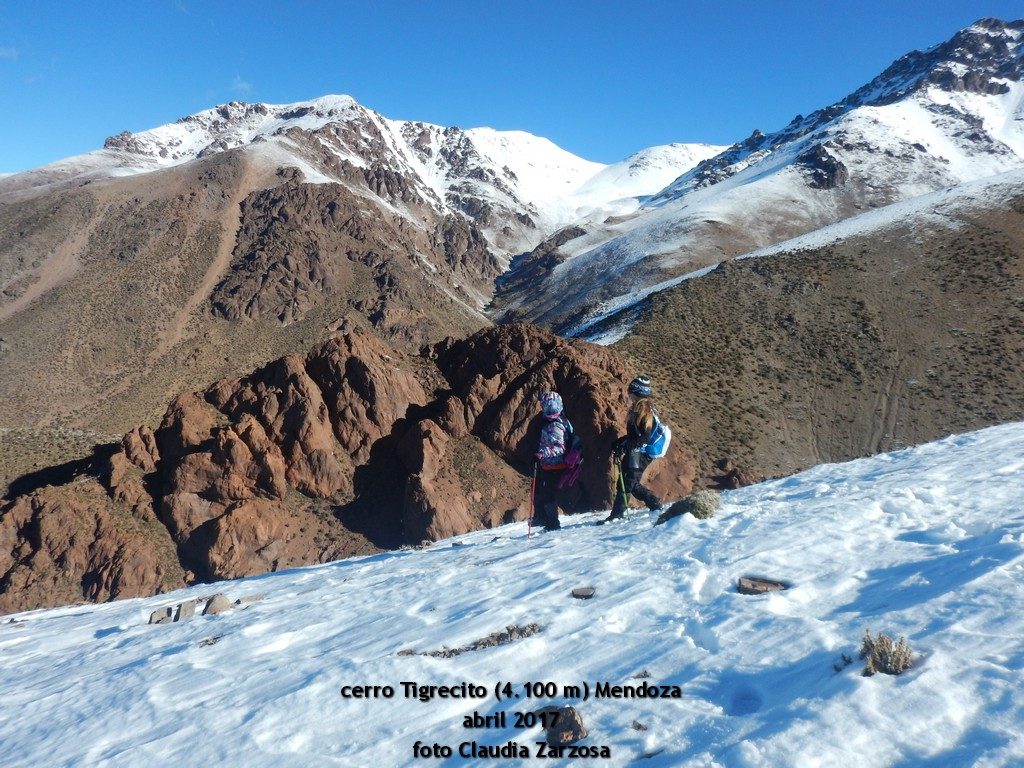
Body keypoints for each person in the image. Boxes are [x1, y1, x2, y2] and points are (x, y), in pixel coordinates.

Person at [603, 375, 668, 523]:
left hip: (641, 452)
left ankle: (617, 514)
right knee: (629, 482)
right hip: (636, 451)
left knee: (628, 482)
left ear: (637, 392)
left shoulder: (643, 410)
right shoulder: (640, 408)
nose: (628, 393)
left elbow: (644, 437)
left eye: (631, 390)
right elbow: (634, 435)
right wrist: (621, 442)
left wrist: (626, 445)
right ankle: (653, 502)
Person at [532, 391, 580, 531]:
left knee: (548, 496)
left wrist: (542, 454)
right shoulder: (561, 421)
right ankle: (546, 520)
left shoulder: (555, 425)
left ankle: (552, 524)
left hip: (554, 466)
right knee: (545, 494)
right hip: (551, 465)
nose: (542, 407)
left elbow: (559, 448)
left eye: (544, 404)